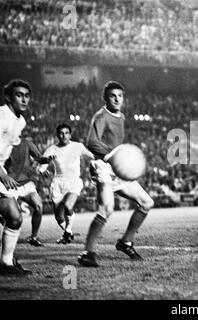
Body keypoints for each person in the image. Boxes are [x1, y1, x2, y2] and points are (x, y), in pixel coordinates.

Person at [78, 81, 154, 268]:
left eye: (120, 95)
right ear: (105, 98)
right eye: (113, 95)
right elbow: (91, 142)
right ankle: (87, 253)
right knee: (107, 208)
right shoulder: (101, 116)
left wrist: (121, 158)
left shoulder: (121, 116)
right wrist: (112, 155)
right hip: (103, 166)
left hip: (116, 166)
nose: (117, 99)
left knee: (147, 202)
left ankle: (125, 242)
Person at [39, 123, 94, 244]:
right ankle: (68, 233)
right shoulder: (52, 149)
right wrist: (44, 171)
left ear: (70, 134)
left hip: (74, 181)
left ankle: (68, 230)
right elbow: (41, 167)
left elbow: (92, 156)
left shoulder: (78, 146)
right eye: (61, 133)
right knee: (59, 216)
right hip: (58, 183)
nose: (64, 135)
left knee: (69, 206)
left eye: (67, 133)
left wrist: (96, 164)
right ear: (57, 135)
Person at [0, 79, 32, 275]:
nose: (24, 99)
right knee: (13, 216)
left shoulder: (20, 121)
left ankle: (6, 264)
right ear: (8, 97)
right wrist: (2, 176)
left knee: (13, 217)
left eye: (27, 95)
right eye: (19, 95)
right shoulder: (1, 116)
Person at [3, 132, 53, 246]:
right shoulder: (3, 144)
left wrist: (47, 159)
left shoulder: (27, 143)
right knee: (11, 216)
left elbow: (39, 158)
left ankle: (33, 238)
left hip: (25, 183)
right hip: (9, 185)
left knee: (39, 206)